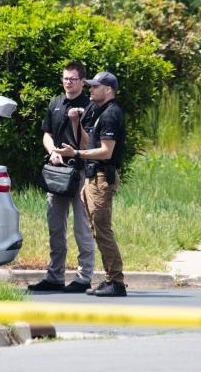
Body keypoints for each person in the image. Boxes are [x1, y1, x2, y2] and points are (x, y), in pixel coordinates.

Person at [54, 71, 127, 297]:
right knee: (97, 230)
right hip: (93, 177)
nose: (91, 90)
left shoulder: (111, 114)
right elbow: (90, 143)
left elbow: (106, 152)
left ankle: (116, 281)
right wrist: (77, 124)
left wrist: (75, 152)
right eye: (91, 86)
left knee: (103, 231)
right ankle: (110, 279)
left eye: (95, 87)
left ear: (108, 90)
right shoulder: (98, 111)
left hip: (103, 178)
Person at [28, 61, 96, 293]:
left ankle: (84, 276)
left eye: (73, 79)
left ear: (82, 82)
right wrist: (53, 152)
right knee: (55, 227)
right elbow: (47, 134)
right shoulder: (56, 103)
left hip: (81, 172)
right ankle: (54, 276)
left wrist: (77, 122)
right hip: (57, 171)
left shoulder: (90, 106)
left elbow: (90, 145)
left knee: (82, 227)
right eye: (65, 78)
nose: (68, 82)